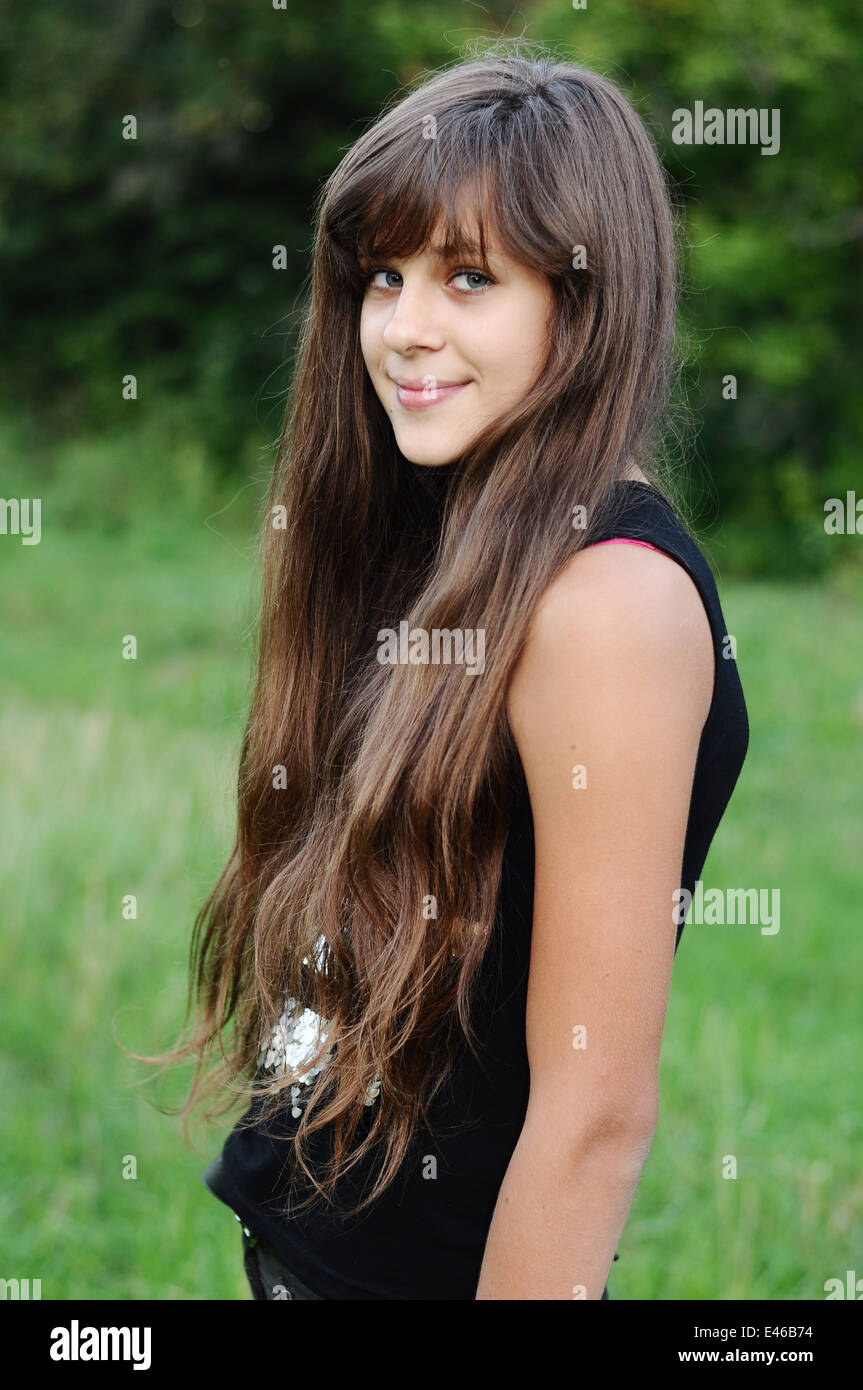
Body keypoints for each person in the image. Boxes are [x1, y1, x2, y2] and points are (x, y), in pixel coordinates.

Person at [166, 45, 749, 1300]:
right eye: (384, 274)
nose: (403, 327)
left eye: (468, 276)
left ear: (582, 302)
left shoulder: (605, 601)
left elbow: (594, 1110)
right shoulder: (464, 526)